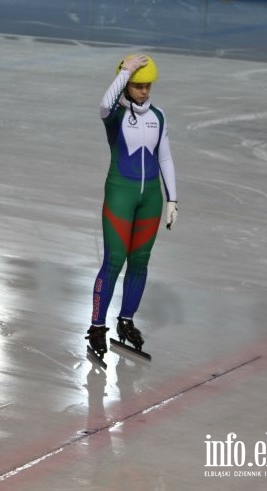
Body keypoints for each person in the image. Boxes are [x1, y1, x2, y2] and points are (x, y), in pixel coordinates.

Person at [86, 54, 178, 359]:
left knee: (140, 260)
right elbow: (103, 104)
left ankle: (126, 320)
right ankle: (97, 327)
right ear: (126, 85)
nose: (144, 91)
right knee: (114, 261)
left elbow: (164, 157)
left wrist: (173, 199)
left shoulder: (159, 116)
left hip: (150, 197)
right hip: (120, 194)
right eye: (138, 86)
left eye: (148, 86)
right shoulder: (114, 116)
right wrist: (124, 73)